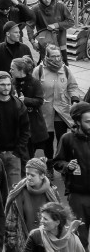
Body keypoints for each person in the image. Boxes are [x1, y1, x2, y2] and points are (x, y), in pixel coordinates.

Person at [53, 102, 90, 245]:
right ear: (77, 122)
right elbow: (57, 162)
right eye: (88, 121)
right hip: (77, 196)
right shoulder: (67, 139)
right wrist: (68, 166)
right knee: (80, 239)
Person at [3, 158, 59, 252]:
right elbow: (11, 223)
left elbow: (59, 218)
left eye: (32, 175)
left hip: (47, 243)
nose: (28, 177)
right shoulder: (19, 193)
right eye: (27, 174)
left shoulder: (52, 193)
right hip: (24, 245)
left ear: (42, 176)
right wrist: (11, 243)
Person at [28, 0, 74, 65]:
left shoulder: (60, 6)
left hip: (60, 41)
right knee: (46, 65)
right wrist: (33, 42)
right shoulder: (36, 9)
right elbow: (29, 26)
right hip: (45, 42)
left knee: (64, 65)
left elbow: (71, 21)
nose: (47, 0)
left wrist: (56, 25)